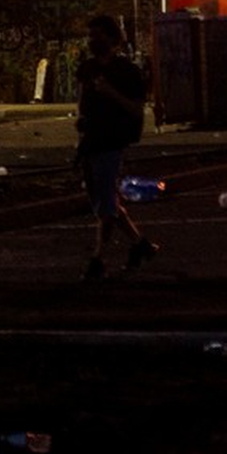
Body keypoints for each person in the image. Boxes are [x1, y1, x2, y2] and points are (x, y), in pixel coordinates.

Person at [74, 14, 157, 280]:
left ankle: (97, 258)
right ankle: (140, 244)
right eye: (90, 35)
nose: (92, 40)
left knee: (106, 204)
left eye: (96, 35)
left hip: (112, 142)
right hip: (90, 141)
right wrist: (80, 123)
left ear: (111, 38)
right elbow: (81, 101)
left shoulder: (126, 71)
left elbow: (136, 109)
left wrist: (111, 93)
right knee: (102, 203)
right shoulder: (87, 68)